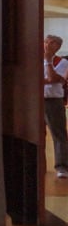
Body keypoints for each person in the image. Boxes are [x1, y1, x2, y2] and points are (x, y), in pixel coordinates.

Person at [43, 35, 68, 179]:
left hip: (54, 101)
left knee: (58, 134)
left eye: (51, 43)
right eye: (46, 41)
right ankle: (39, 165)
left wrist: (48, 61)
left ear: (58, 46)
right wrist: (48, 80)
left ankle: (62, 166)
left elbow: (53, 78)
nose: (47, 44)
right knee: (37, 134)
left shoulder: (63, 61)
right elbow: (34, 78)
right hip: (37, 99)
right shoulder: (34, 58)